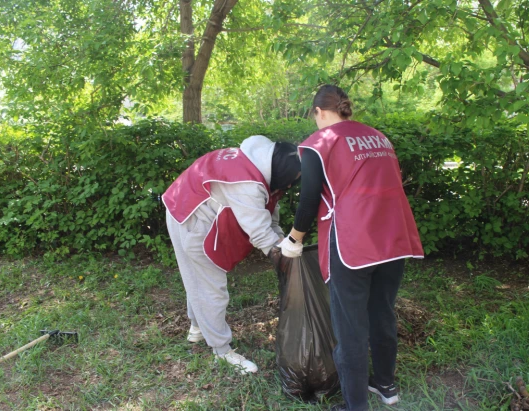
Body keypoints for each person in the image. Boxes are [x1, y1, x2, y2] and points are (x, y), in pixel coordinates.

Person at [279, 85, 424, 410]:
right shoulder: (379, 137)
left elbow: (309, 200)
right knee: (382, 312)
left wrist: (294, 239)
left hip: (353, 244)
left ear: (318, 112)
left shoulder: (319, 144)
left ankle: (355, 404)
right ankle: (385, 386)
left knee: (351, 327)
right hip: (394, 238)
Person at [163, 135, 301, 375]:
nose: (291, 186)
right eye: (293, 180)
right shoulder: (247, 183)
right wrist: (284, 257)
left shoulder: (261, 166)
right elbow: (259, 232)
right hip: (191, 217)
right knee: (211, 287)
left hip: (183, 204)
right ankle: (221, 350)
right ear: (283, 172)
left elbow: (269, 215)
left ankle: (197, 328)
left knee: (196, 277)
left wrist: (282, 241)